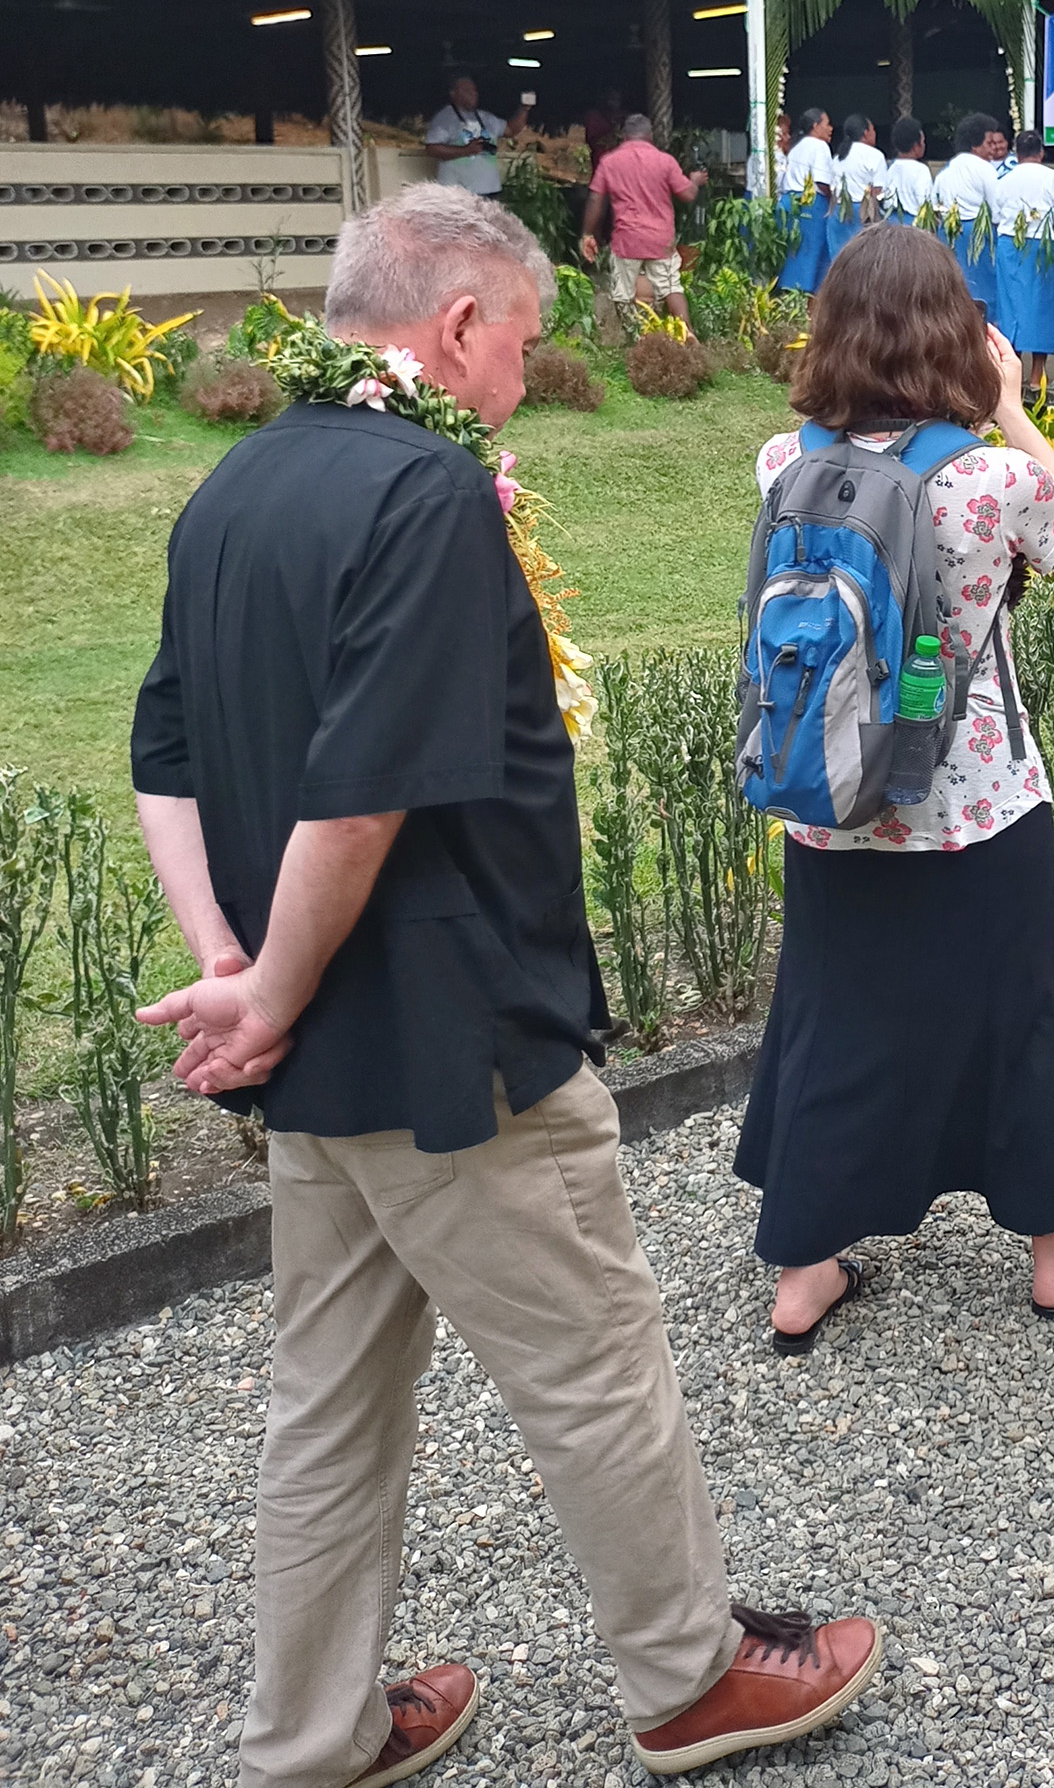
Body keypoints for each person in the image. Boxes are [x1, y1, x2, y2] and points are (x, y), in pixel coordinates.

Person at [131, 184, 881, 1786]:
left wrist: (233, 960)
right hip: (449, 1038)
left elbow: (167, 758)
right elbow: (367, 785)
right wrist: (264, 985)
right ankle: (687, 1676)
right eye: (526, 343)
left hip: (316, 1054)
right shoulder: (427, 494)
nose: (526, 377)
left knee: (326, 1403)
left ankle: (311, 1732)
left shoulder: (227, 495)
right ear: (459, 324)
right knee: (595, 1355)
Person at [734, 223, 1054, 1357]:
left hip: (830, 791)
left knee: (833, 1017)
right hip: (976, 806)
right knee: (1023, 1019)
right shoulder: (992, 477)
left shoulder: (782, 461)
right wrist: (1010, 403)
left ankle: (805, 1269)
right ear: (957, 332)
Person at [581, 113, 706, 336]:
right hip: (661, 240)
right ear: (650, 136)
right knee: (671, 288)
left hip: (626, 241)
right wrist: (695, 181)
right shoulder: (664, 161)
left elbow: (595, 199)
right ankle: (687, 335)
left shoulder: (609, 162)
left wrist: (588, 234)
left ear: (624, 136)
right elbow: (687, 194)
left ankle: (636, 337)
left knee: (623, 295)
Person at [993, 129, 1054, 392]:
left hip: (1009, 244)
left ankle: (1013, 368)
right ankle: (1037, 374)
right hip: (1042, 244)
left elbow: (996, 215)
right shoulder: (1052, 177)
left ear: (1016, 153)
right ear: (1041, 152)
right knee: (1041, 304)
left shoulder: (1004, 178)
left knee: (1011, 304)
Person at [933, 112, 1001, 318]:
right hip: (978, 234)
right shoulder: (985, 169)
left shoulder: (945, 171)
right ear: (975, 145)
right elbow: (996, 209)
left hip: (948, 232)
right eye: (989, 143)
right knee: (983, 287)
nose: (993, 149)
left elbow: (935, 205)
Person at [425, 73, 530, 196]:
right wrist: (466, 150)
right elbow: (432, 148)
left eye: (474, 90)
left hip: (490, 190)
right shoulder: (445, 118)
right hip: (457, 193)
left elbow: (511, 130)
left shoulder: (485, 117)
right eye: (467, 90)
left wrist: (524, 109)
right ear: (453, 93)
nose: (473, 93)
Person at [777, 104, 834, 295]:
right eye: (827, 123)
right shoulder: (820, 146)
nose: (830, 128)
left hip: (788, 201)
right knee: (811, 251)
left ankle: (788, 295)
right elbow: (822, 181)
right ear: (816, 126)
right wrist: (834, 200)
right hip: (810, 204)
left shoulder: (796, 147)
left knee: (793, 252)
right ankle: (806, 296)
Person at [827, 114, 887, 259]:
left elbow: (832, 187)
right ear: (866, 133)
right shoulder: (875, 155)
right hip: (863, 214)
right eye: (873, 130)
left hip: (838, 214)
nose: (874, 134)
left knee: (838, 261)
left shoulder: (838, 157)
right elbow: (878, 191)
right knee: (863, 261)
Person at [882, 116, 934, 227]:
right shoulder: (921, 170)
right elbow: (925, 203)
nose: (924, 145)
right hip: (913, 226)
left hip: (890, 224)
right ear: (915, 146)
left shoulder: (891, 168)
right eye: (923, 141)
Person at [584, 85, 624, 174]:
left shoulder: (622, 117)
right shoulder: (594, 117)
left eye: (617, 100)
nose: (614, 103)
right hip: (602, 158)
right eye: (612, 99)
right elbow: (593, 141)